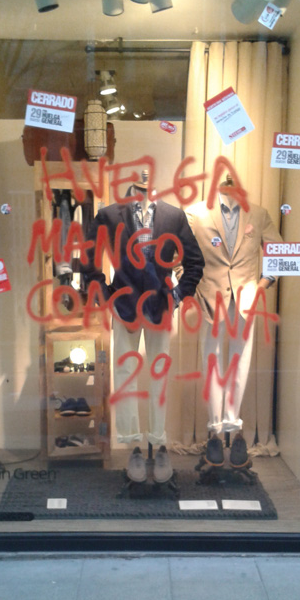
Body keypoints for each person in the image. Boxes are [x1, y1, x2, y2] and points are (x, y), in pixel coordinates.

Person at [82, 173, 204, 483]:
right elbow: (89, 261)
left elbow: (195, 262)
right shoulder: (109, 215)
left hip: (160, 304)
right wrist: (107, 296)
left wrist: (178, 295)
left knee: (159, 372)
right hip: (124, 305)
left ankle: (158, 443)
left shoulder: (173, 216)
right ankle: (133, 444)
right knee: (125, 373)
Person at [185, 182, 281, 468]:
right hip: (209, 297)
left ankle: (233, 424)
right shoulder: (196, 213)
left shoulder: (259, 214)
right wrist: (191, 286)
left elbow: (278, 253)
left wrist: (262, 285)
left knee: (240, 362)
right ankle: (215, 431)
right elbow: (179, 254)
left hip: (246, 298)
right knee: (211, 362)